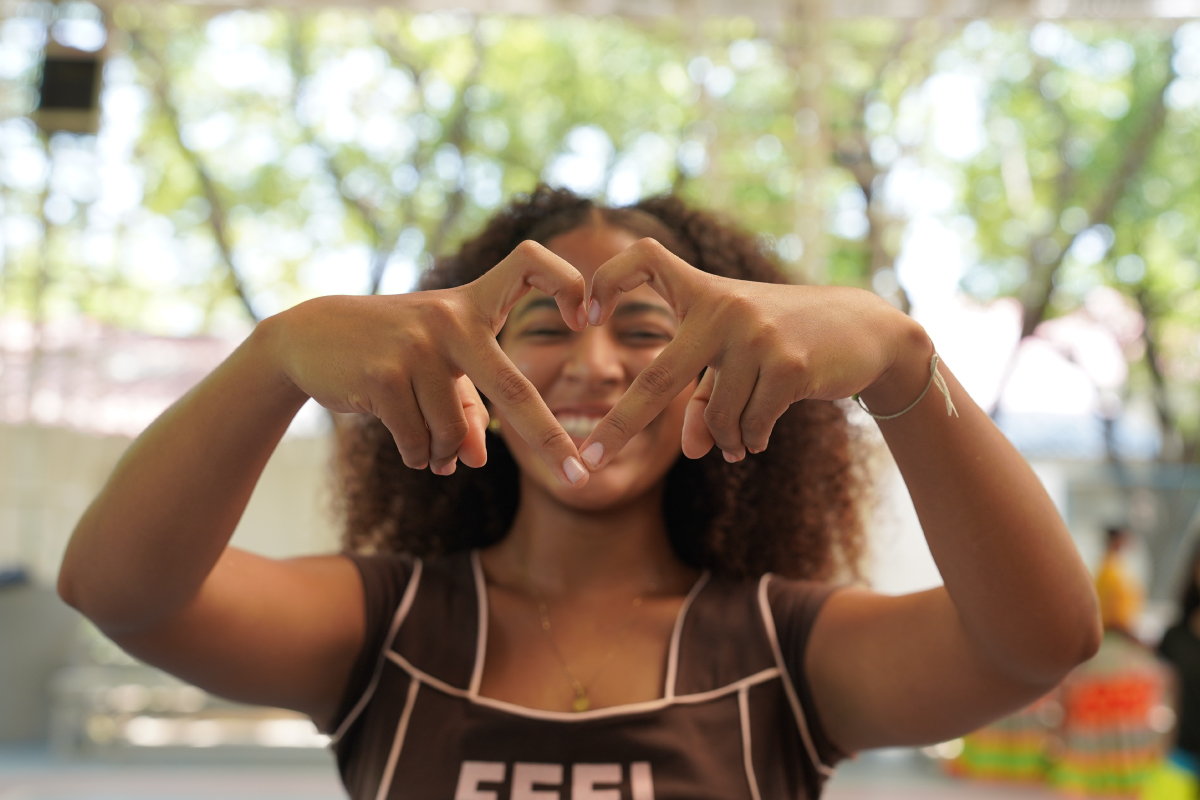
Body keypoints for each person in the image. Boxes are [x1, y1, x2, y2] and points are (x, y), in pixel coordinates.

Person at [58, 186, 1102, 799]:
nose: (595, 366)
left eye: (645, 332)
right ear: (465, 369)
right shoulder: (389, 624)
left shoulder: (782, 648)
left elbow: (1042, 639)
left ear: (716, 374)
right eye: (544, 329)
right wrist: (275, 354)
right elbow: (117, 589)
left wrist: (901, 358)